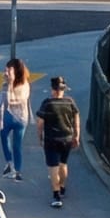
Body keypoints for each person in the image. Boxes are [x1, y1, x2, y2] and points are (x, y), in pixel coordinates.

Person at [37, 74, 79, 207]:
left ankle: (56, 195)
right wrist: (76, 135)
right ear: (63, 89)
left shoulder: (47, 103)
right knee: (63, 164)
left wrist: (40, 137)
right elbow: (76, 118)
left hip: (51, 139)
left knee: (53, 167)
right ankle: (62, 187)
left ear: (53, 89)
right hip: (67, 138)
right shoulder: (70, 102)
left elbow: (40, 122)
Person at [0, 57, 31, 180]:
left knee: (9, 140)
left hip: (13, 117)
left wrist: (9, 84)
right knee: (12, 142)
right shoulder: (24, 84)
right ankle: (15, 168)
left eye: (8, 70)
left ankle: (13, 166)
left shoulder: (18, 85)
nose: (6, 73)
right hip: (20, 117)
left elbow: (8, 101)